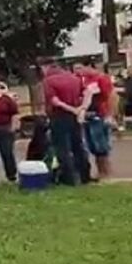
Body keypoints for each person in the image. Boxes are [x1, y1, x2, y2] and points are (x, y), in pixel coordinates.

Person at [39, 57, 90, 185]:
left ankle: (69, 178)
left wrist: (71, 109)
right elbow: (87, 92)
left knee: (62, 148)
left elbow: (54, 101)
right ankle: (85, 176)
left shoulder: (48, 81)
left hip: (59, 116)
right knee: (78, 145)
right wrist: (82, 108)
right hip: (75, 117)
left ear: (45, 67)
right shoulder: (74, 78)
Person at [74, 60, 115, 179]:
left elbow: (111, 96)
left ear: (89, 67)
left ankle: (105, 171)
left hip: (100, 114)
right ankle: (100, 170)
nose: (79, 71)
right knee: (91, 145)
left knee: (100, 144)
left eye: (81, 68)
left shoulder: (102, 78)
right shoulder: (84, 80)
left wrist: (109, 114)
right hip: (88, 115)